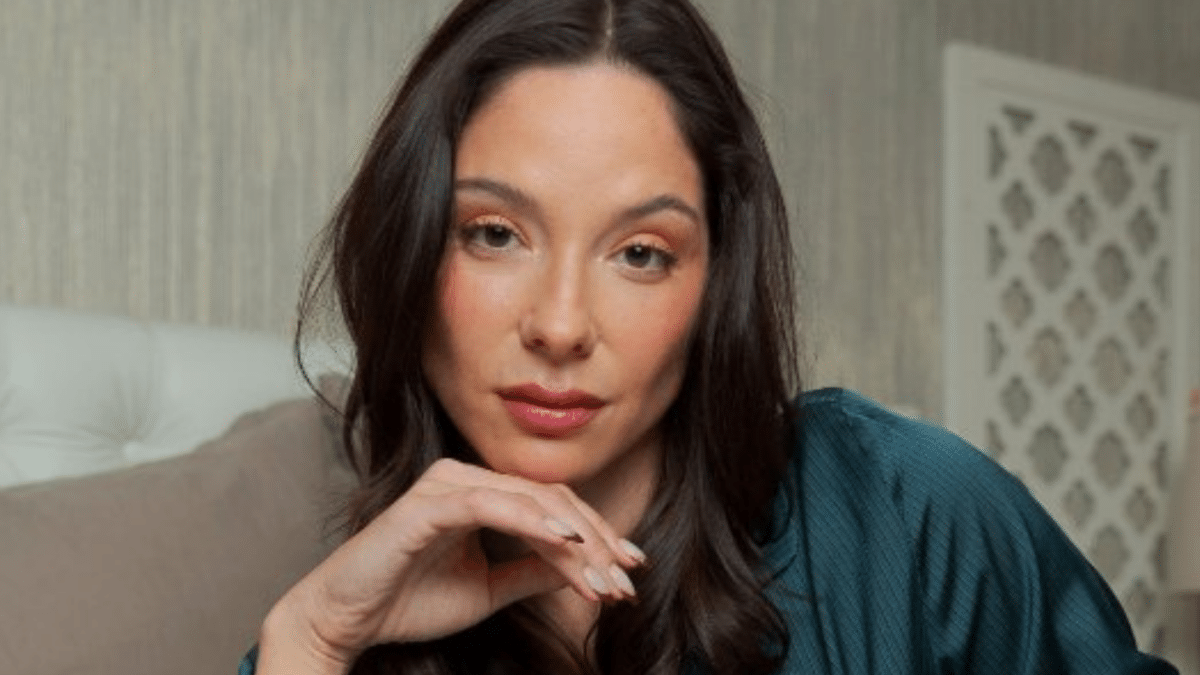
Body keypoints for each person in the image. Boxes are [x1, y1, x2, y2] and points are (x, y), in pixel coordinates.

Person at [242, 0, 1179, 673]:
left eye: (640, 252)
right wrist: (309, 640)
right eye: (494, 234)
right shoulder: (338, 633)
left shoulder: (908, 513)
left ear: (713, 283)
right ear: (408, 246)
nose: (560, 324)